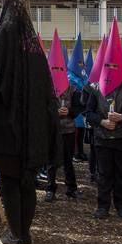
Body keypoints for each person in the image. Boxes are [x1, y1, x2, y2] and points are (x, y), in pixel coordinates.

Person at [0, 0, 56, 244]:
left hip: (5, 134)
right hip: (32, 133)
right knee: (27, 183)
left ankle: (15, 234)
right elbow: (47, 95)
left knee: (9, 181)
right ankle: (25, 234)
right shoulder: (36, 56)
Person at [84, 20, 122, 220]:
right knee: (104, 174)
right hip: (102, 138)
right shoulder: (95, 89)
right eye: (109, 65)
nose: (112, 68)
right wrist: (102, 122)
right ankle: (103, 206)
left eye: (116, 65)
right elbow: (88, 113)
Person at [45, 30, 80, 202]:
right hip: (52, 129)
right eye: (54, 68)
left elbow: (79, 108)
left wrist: (70, 113)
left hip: (68, 129)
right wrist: (54, 113)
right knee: (52, 160)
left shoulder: (72, 88)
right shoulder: (46, 89)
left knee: (68, 161)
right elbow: (42, 108)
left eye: (60, 68)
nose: (57, 70)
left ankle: (71, 188)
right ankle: (50, 188)